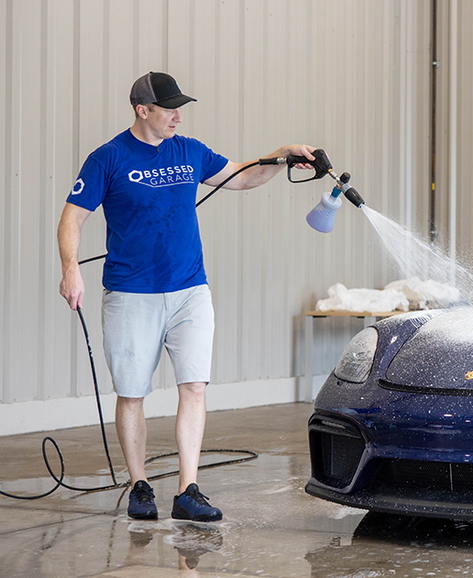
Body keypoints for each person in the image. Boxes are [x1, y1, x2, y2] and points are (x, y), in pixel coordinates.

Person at [57, 71, 316, 521]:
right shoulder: (108, 158)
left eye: (180, 107)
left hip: (190, 291)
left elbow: (242, 177)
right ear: (143, 110)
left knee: (194, 386)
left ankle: (188, 490)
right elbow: (71, 220)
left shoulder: (190, 151)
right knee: (133, 392)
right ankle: (139, 484)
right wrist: (69, 272)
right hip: (131, 293)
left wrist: (282, 155)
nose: (178, 115)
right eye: (168, 107)